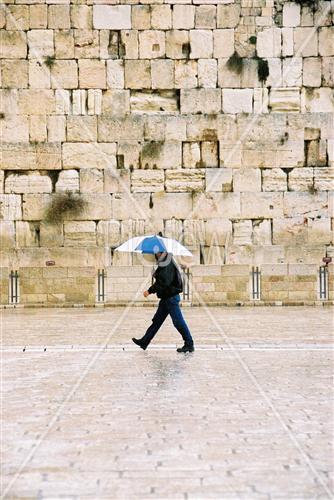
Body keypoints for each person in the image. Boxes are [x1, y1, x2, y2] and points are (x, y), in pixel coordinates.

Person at [132, 251, 194, 353]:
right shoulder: (164, 263)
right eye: (156, 252)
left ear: (164, 252)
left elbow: (164, 282)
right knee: (156, 321)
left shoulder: (167, 263)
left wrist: (150, 291)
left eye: (159, 252)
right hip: (166, 298)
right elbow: (163, 279)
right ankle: (144, 341)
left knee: (178, 322)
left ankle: (189, 344)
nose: (156, 254)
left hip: (171, 298)